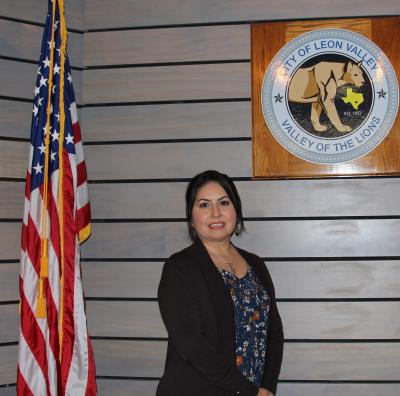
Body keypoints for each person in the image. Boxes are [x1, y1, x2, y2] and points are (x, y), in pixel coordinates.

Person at [157, 170, 284, 396]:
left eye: (223, 203)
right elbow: (192, 345)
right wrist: (248, 391)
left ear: (236, 210)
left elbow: (273, 331)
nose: (216, 213)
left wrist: (267, 387)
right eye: (204, 205)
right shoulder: (180, 268)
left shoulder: (256, 264)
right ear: (191, 218)